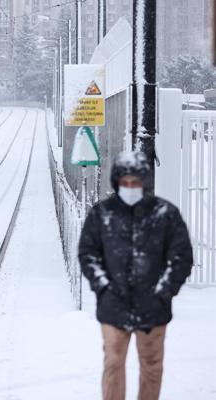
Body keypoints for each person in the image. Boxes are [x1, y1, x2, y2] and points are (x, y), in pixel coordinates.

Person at [79, 151, 193, 400]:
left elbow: (181, 257)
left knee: (152, 368)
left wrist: (164, 292)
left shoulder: (165, 214)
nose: (130, 188)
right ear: (117, 182)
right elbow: (88, 254)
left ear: (145, 182)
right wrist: (103, 287)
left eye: (136, 182)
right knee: (113, 365)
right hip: (113, 308)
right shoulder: (101, 214)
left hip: (153, 309)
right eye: (125, 182)